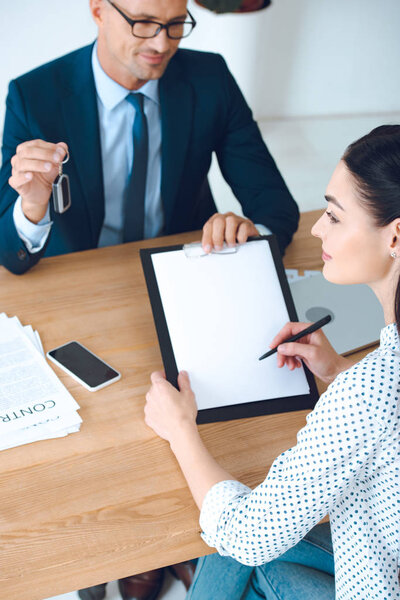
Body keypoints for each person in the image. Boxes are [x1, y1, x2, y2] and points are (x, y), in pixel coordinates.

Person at [144, 124, 400, 600]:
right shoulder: (376, 380)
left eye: (334, 216)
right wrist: (338, 371)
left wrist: (179, 428)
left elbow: (249, 535)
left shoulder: (372, 389)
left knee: (233, 552)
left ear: (395, 236)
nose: (317, 227)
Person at [0, 0, 299, 277]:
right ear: (98, 10)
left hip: (187, 267)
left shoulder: (210, 78)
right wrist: (32, 208)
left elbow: (274, 203)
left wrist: (250, 236)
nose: (162, 44)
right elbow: (7, 249)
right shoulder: (33, 97)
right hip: (80, 275)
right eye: (143, 23)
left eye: (176, 24)